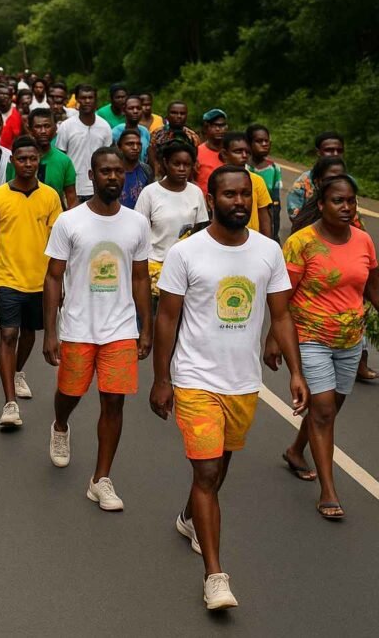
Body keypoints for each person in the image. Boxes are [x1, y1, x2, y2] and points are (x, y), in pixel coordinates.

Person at [150, 164, 308, 610]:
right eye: (229, 195)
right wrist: (162, 379)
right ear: (212, 198)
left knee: (218, 467)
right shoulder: (186, 253)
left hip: (243, 382)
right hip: (195, 378)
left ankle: (188, 519)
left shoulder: (267, 251)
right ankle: (215, 576)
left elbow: (280, 315)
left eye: (244, 195)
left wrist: (296, 372)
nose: (239, 202)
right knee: (205, 472)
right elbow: (167, 318)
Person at [42, 147, 152, 509]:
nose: (113, 177)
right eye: (105, 171)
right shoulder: (70, 221)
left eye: (118, 171)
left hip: (120, 328)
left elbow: (139, 278)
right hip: (77, 326)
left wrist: (144, 327)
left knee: (114, 402)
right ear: (92, 175)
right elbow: (54, 277)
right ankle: (60, 424)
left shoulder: (136, 223)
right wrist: (51, 331)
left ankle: (100, 479)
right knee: (71, 393)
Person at [268, 174, 379, 518]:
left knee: (327, 410)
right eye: (337, 201)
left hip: (350, 339)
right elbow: (281, 298)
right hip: (310, 336)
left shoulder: (363, 241)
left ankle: (295, 451)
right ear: (320, 205)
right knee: (325, 410)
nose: (346, 208)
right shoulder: (302, 243)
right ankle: (328, 491)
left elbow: (372, 287)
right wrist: (274, 337)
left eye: (350, 201)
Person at [0, 136, 63, 426]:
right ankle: (10, 403)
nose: (27, 163)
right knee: (8, 334)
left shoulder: (50, 196)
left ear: (39, 161)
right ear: (13, 162)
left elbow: (59, 244)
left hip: (41, 281)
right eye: (22, 159)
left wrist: (62, 283)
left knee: (29, 334)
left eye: (33, 158)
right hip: (7, 278)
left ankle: (17, 371)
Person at [134, 140, 209, 296]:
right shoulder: (150, 193)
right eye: (177, 164)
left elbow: (201, 228)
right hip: (154, 265)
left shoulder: (195, 193)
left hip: (186, 266)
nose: (182, 169)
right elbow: (138, 231)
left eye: (187, 165)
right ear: (166, 163)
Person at [56, 85, 112, 201]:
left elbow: (108, 158)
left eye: (90, 97)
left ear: (95, 100)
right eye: (83, 98)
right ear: (77, 99)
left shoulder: (105, 126)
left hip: (99, 188)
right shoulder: (66, 126)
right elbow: (60, 158)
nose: (87, 101)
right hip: (72, 188)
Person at [218, 131, 273, 238]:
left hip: (252, 239)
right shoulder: (218, 180)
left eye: (247, 152)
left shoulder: (257, 181)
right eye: (238, 151)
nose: (244, 156)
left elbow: (264, 216)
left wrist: (268, 243)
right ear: (225, 154)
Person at [287, 131, 346, 223]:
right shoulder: (302, 184)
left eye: (339, 151)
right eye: (329, 150)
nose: (335, 154)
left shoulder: (348, 182)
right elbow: (295, 217)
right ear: (318, 152)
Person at [29, 109, 77, 209]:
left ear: (55, 129)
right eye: (38, 127)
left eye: (47, 126)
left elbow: (71, 197)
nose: (43, 131)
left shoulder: (64, 161)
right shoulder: (20, 160)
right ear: (30, 130)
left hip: (55, 219)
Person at [247, 124, 282, 242]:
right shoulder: (244, 167)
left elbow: (276, 200)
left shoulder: (274, 168)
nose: (264, 144)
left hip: (267, 213)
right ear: (249, 144)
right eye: (259, 141)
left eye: (266, 141)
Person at [148, 101, 201, 177]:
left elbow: (195, 159)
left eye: (182, 113)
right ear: (167, 115)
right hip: (160, 176)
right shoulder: (157, 134)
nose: (178, 116)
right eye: (174, 113)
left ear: (186, 116)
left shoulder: (192, 136)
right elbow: (152, 154)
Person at [117, 129, 153, 209]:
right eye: (130, 144)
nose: (135, 147)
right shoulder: (113, 171)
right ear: (119, 147)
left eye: (138, 144)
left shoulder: (146, 170)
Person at [194, 108, 227, 194]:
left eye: (222, 126)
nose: (218, 129)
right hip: (204, 202)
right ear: (206, 128)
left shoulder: (231, 152)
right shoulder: (197, 153)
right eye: (214, 126)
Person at [110, 95, 151, 162]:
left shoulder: (145, 131)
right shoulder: (115, 132)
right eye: (131, 108)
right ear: (124, 110)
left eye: (138, 108)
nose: (135, 111)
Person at [0, 84, 23, 150]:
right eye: (1, 94)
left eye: (6, 94)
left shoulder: (17, 114)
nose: (4, 97)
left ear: (11, 98)